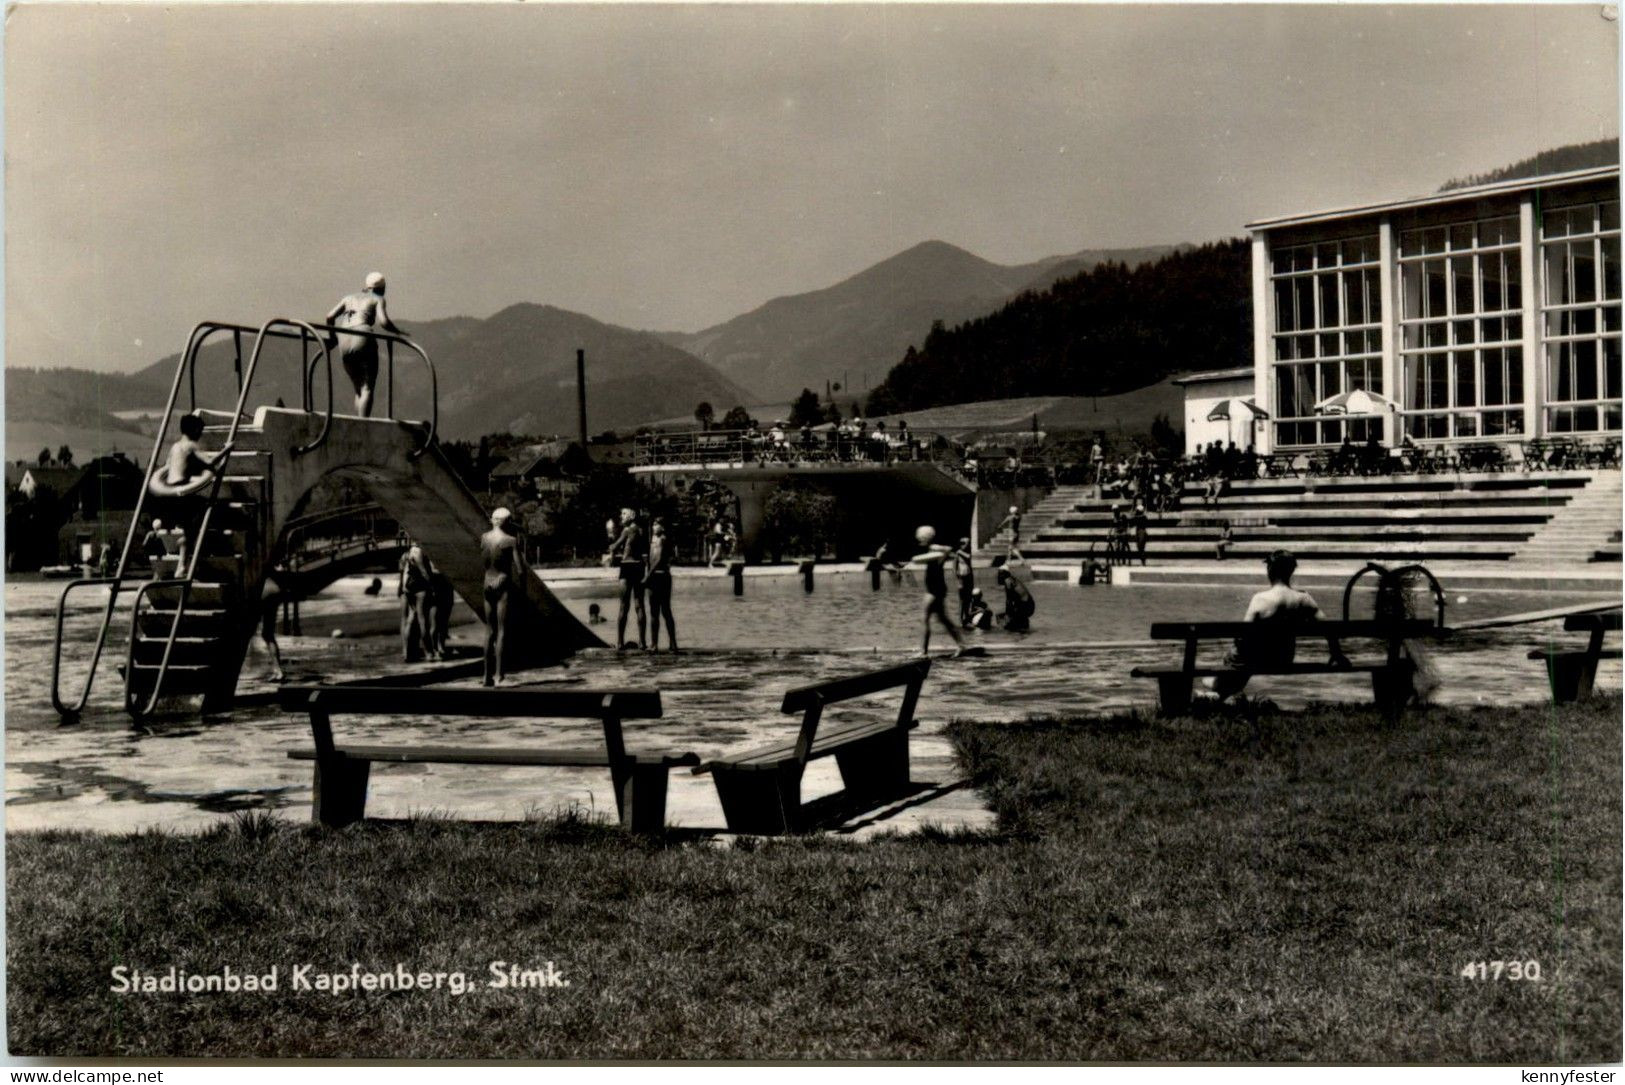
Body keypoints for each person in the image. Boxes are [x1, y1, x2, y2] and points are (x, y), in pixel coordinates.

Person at [1205, 549, 1350, 701]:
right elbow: (1328, 627)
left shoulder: (1260, 599)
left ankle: (1216, 689)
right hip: (1283, 659)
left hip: (1259, 661)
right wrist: (1336, 654)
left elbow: (1243, 634)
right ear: (1291, 571)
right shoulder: (1304, 599)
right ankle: (1219, 692)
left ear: (1269, 571)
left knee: (1238, 654)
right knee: (1243, 656)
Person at [324, 272, 402, 418]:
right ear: (382, 288)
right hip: (363, 335)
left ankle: (358, 422)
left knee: (358, 388)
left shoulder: (348, 298)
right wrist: (399, 331)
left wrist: (332, 338)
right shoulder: (378, 298)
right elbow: (384, 322)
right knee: (367, 387)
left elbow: (329, 317)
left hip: (343, 338)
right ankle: (363, 424)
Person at [909, 526, 968, 657]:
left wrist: (937, 548)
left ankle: (923, 651)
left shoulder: (937, 551)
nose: (919, 540)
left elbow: (948, 550)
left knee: (924, 618)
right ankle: (962, 645)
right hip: (936, 589)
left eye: (920, 538)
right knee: (944, 620)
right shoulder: (932, 552)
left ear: (926, 538)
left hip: (934, 591)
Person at [480, 507, 520, 686]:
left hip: (487, 582)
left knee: (489, 631)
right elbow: (519, 568)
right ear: (507, 522)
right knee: (502, 631)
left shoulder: (484, 538)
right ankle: (499, 675)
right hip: (502, 583)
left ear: (494, 520)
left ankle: (486, 676)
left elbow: (485, 562)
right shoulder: (510, 540)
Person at [606, 506, 648, 651]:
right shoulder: (641, 530)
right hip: (639, 567)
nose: (621, 517)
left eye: (623, 514)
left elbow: (615, 546)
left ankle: (619, 642)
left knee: (624, 605)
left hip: (627, 566)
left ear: (630, 516)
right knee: (639, 604)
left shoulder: (627, 530)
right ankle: (642, 642)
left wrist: (611, 546)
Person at [397, 543, 437, 662]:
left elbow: (405, 573)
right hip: (420, 587)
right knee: (422, 620)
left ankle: (407, 652)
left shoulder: (407, 553)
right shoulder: (417, 551)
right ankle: (429, 652)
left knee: (410, 618)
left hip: (409, 588)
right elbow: (423, 571)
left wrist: (404, 588)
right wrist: (432, 586)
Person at [645, 519, 678, 653]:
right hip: (654, 575)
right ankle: (654, 644)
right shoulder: (653, 539)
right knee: (654, 611)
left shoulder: (663, 539)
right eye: (653, 524)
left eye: (657, 524)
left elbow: (658, 559)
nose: (654, 527)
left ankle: (672, 642)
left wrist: (647, 576)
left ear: (662, 527)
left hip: (660, 575)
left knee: (665, 610)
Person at [257, 562, 288, 683]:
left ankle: (278, 670)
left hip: (264, 590)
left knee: (265, 633)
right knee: (268, 633)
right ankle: (277, 670)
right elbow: (280, 569)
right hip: (274, 590)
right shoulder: (273, 558)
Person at [997, 566, 1036, 632]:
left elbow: (1009, 600)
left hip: (1025, 606)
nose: (999, 576)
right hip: (1030, 604)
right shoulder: (1013, 580)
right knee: (1020, 626)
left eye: (1000, 574)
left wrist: (1007, 615)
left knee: (1011, 626)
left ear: (1005, 573)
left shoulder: (1007, 581)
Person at [952, 537, 976, 627]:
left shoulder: (967, 552)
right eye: (965, 543)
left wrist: (959, 551)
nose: (967, 545)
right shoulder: (958, 554)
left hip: (969, 578)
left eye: (968, 543)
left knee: (969, 599)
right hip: (961, 579)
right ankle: (961, 620)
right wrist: (958, 580)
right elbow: (954, 568)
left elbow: (968, 557)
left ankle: (967, 619)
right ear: (961, 544)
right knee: (962, 600)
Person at [1131, 501, 1150, 567]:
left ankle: (1143, 561)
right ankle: (1143, 561)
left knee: (1141, 546)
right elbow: (1132, 522)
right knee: (1139, 547)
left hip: (1142, 531)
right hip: (1138, 531)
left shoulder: (1143, 517)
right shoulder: (1139, 517)